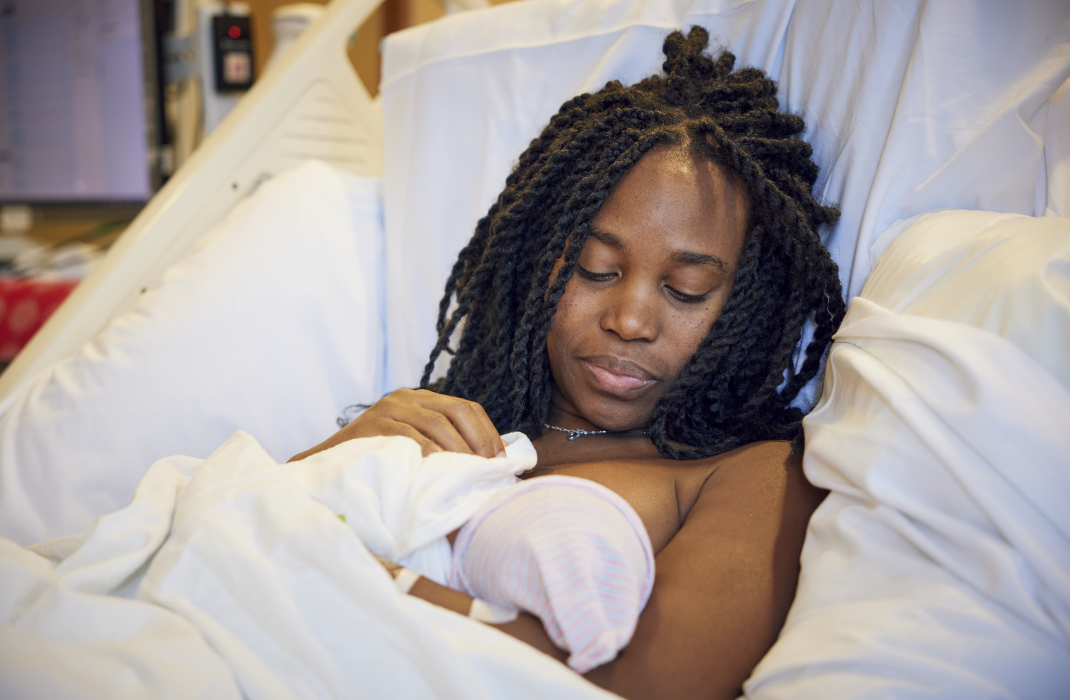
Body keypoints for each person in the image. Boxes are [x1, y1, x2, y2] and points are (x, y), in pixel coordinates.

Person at [291, 26, 843, 700]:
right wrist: (339, 451)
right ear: (539, 261)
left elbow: (652, 683)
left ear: (750, 308)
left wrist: (366, 582)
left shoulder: (747, 477)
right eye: (595, 268)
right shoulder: (445, 421)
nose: (631, 321)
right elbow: (231, 528)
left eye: (685, 290)